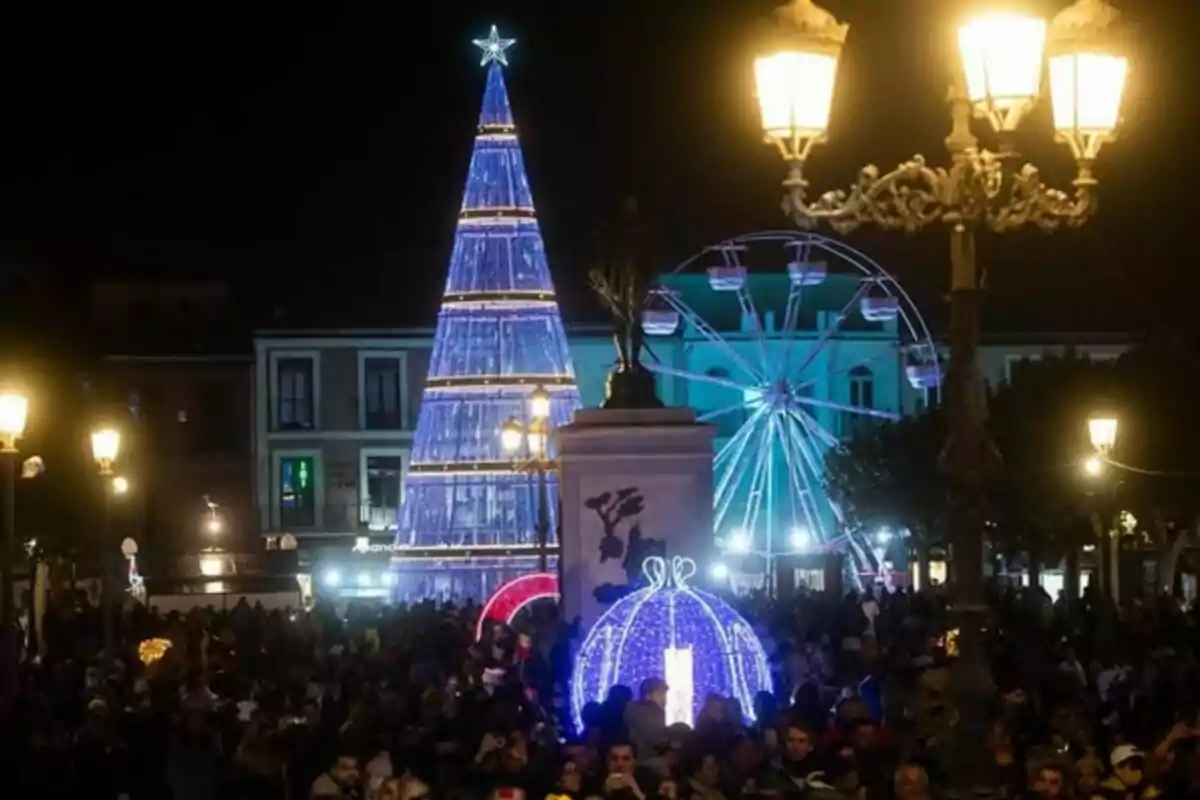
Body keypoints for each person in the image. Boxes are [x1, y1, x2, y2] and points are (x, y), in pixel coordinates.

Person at [624, 678, 668, 762]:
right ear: (648, 696)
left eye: (664, 694)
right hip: (647, 761)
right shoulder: (639, 713)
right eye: (660, 693)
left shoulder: (635, 710)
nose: (664, 698)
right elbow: (656, 739)